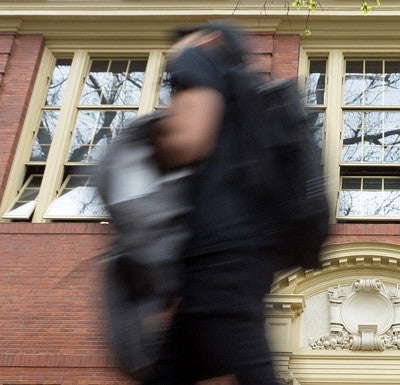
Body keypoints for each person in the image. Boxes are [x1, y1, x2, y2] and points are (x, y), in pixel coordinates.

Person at [143, 22, 281, 385]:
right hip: (244, 255)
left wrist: (142, 141)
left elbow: (189, 140)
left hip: (218, 255)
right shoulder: (248, 92)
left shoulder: (197, 58)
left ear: (208, 39)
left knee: (252, 371)